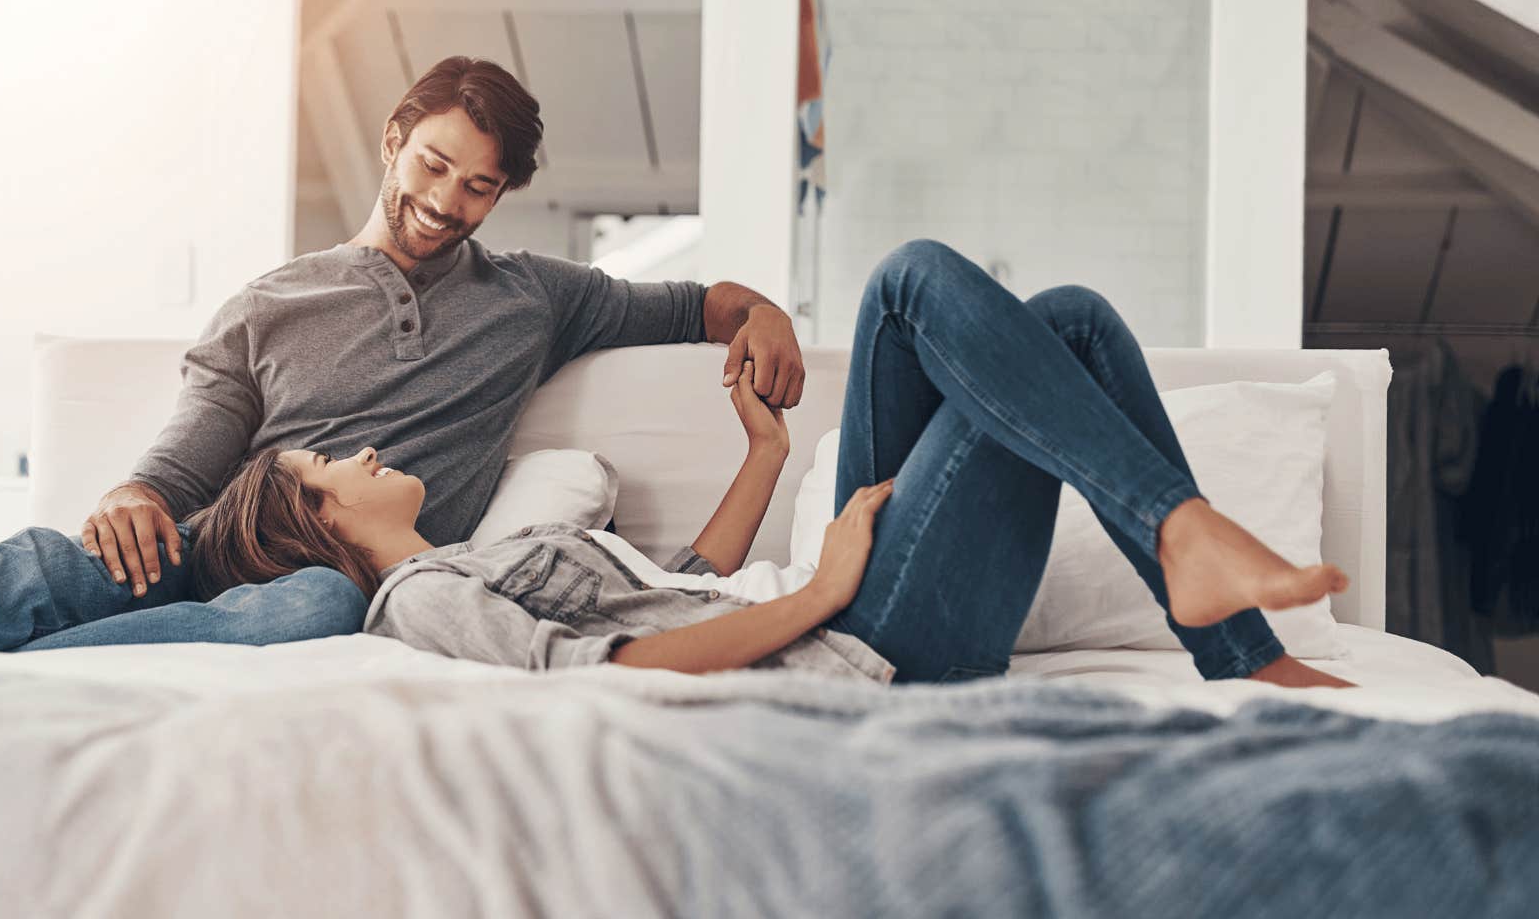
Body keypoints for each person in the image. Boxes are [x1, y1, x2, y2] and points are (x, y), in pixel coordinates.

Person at [0, 56, 804, 658]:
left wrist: (766, 318)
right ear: (394, 140)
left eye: (480, 185)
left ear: (503, 194)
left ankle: (10, 669)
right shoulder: (272, 300)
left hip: (342, 583)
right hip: (217, 542)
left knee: (308, 609)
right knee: (56, 564)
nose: (448, 201)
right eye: (437, 166)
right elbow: (187, 454)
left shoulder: (537, 299)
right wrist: (131, 495)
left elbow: (705, 303)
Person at [145, 240, 1356, 689]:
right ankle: (1219, 601)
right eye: (338, 462)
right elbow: (626, 663)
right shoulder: (421, 605)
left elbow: (681, 583)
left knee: (1072, 314)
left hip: (804, 608)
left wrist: (767, 458)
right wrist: (825, 591)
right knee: (918, 279)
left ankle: (1228, 623)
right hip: (862, 644)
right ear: (324, 523)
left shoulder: (463, 562)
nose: (368, 449)